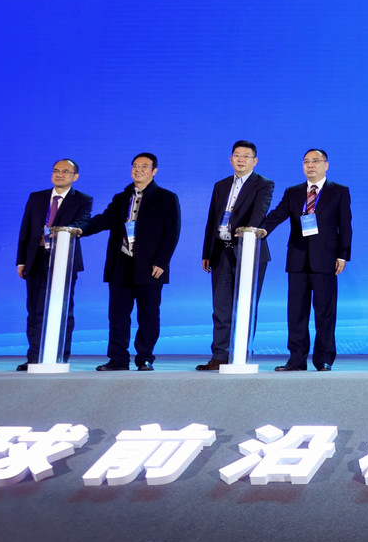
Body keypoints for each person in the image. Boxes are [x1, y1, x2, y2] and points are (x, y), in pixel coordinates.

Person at [77, 152, 180, 371]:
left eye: (144, 166)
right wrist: (79, 230)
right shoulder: (121, 198)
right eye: (135, 166)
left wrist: (161, 262)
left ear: (154, 171)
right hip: (121, 264)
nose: (138, 170)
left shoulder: (167, 198)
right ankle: (118, 359)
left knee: (148, 315)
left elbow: (172, 233)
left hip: (150, 266)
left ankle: (145, 358)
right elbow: (103, 220)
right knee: (117, 315)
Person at [260, 148, 352, 372]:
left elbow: (345, 225)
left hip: (326, 259)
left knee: (325, 312)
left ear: (326, 165)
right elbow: (277, 215)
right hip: (297, 258)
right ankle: (296, 359)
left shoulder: (339, 191)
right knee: (296, 313)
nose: (310, 165)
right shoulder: (293, 192)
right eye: (306, 161)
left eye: (315, 161)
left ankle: (324, 359)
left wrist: (343, 254)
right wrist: (259, 230)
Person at [195, 141, 274, 371]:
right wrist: (207, 252)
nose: (241, 159)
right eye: (237, 155)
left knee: (246, 306)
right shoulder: (221, 185)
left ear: (254, 161)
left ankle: (242, 354)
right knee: (220, 307)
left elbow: (259, 213)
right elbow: (212, 220)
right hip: (221, 251)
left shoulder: (264, 184)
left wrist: (247, 232)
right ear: (231, 159)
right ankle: (219, 356)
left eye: (246, 156)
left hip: (248, 252)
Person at [14, 158, 92, 370]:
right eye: (56, 170)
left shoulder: (83, 199)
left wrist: (68, 230)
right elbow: (26, 229)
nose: (59, 174)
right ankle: (34, 357)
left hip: (64, 258)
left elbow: (83, 222)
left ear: (75, 177)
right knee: (35, 310)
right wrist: (21, 260)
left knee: (63, 309)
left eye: (65, 171)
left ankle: (60, 356)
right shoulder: (37, 197)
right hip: (36, 258)